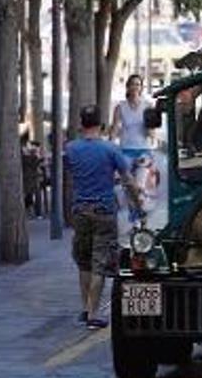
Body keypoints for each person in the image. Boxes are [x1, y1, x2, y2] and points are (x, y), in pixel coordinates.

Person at [65, 105, 139, 330]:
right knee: (99, 263)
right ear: (101, 125)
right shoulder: (111, 150)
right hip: (104, 211)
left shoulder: (70, 149)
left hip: (80, 211)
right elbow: (127, 180)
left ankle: (86, 309)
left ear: (82, 124)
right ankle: (94, 314)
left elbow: (70, 174)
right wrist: (137, 203)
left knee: (84, 261)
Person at [110, 74, 152, 161]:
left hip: (143, 149)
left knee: (142, 174)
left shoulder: (148, 106)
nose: (135, 87)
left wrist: (150, 128)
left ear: (141, 88)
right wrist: (110, 147)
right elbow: (115, 129)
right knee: (125, 173)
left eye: (138, 84)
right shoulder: (120, 107)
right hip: (125, 149)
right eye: (132, 84)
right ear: (128, 87)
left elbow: (152, 133)